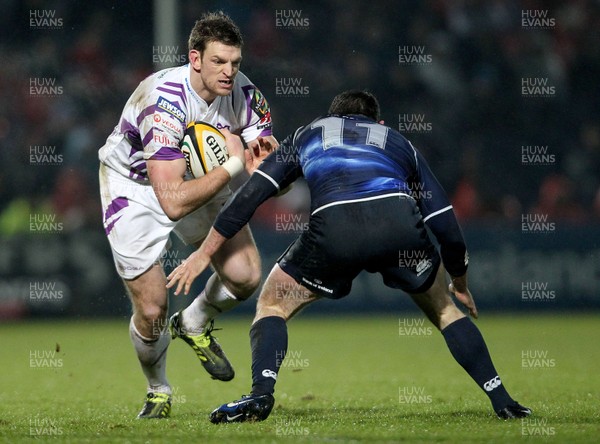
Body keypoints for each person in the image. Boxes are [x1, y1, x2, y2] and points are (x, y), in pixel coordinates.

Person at [166, 90, 531, 423]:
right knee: (445, 309)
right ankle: (502, 399)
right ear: (378, 122)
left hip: (335, 230)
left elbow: (249, 198)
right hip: (398, 226)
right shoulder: (398, 141)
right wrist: (460, 280)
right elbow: (444, 223)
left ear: (333, 116)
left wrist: (204, 253)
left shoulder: (308, 133)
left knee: (273, 305)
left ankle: (261, 395)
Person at [98, 11, 277, 419]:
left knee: (246, 275)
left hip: (200, 175)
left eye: (235, 62)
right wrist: (233, 167)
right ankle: (158, 388)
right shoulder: (164, 103)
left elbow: (269, 170)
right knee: (152, 308)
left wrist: (267, 170)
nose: (229, 72)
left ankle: (193, 322)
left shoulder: (246, 96)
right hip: (136, 189)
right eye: (218, 62)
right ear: (194, 58)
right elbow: (173, 202)